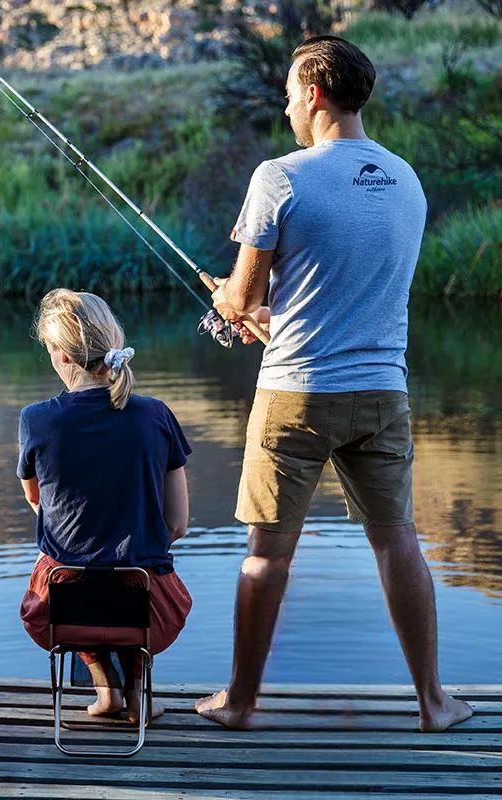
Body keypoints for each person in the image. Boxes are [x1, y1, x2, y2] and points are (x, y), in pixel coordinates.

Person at [195, 36, 473, 733]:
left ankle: (241, 703)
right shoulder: (407, 178)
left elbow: (242, 297)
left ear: (315, 93)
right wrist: (268, 313)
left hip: (296, 396)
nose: (288, 105)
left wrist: (231, 301)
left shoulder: (279, 177)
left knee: (266, 556)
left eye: (291, 92)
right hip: (385, 394)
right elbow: (343, 286)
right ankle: (435, 703)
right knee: (397, 538)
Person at [18, 288, 193, 722]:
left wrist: (86, 536)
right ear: (115, 339)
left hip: (62, 608)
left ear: (59, 355)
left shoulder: (36, 419)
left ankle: (105, 690)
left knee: (65, 561)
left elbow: (37, 501)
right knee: (135, 567)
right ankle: (137, 695)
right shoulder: (156, 415)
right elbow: (178, 524)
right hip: (150, 609)